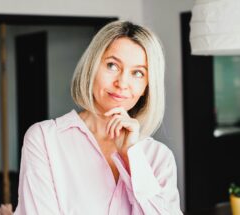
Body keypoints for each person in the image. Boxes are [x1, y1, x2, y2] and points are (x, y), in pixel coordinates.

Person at [14, 20, 182, 215]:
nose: (122, 83)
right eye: (112, 65)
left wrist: (131, 157)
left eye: (137, 73)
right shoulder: (44, 139)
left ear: (147, 86)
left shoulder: (159, 157)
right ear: (92, 67)